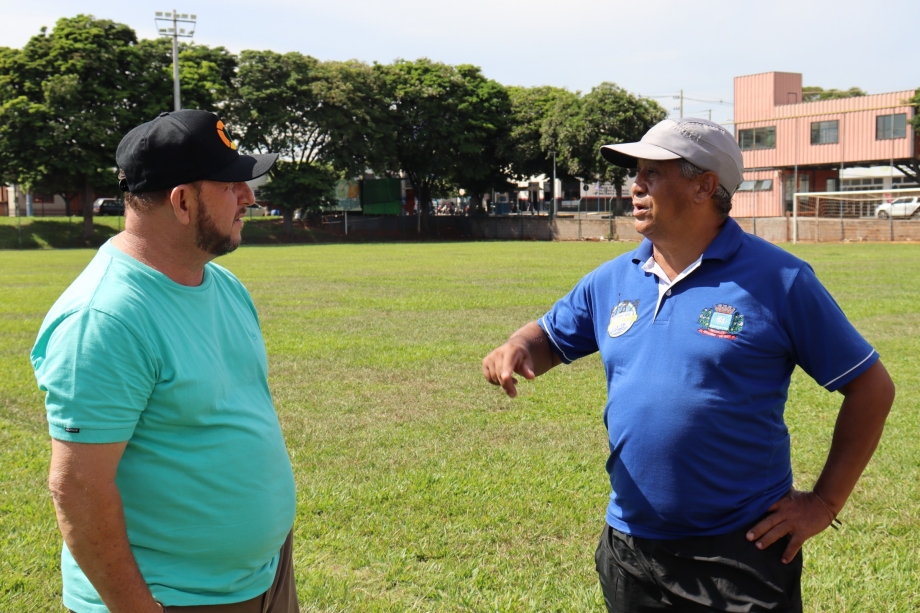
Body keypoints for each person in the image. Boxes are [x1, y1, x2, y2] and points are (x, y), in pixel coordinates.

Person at [481, 117, 895, 612]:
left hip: (739, 554)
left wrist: (825, 504)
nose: (634, 185)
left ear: (705, 186)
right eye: (636, 172)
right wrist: (517, 345)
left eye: (653, 173)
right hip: (631, 548)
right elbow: (548, 337)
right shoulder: (613, 278)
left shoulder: (780, 279)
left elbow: (872, 387)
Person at [31, 110, 299, 613]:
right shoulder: (106, 318)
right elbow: (79, 488)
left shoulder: (224, 286)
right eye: (231, 185)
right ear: (181, 201)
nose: (250, 197)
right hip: (175, 598)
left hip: (263, 579)